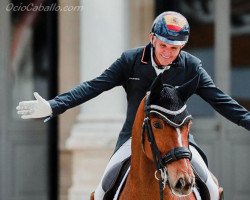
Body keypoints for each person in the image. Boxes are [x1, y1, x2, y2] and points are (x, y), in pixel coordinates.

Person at [16, 11, 250, 199]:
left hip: (176, 137)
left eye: (175, 48)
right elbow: (94, 86)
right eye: (163, 46)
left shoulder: (192, 67)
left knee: (210, 187)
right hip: (133, 137)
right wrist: (54, 105)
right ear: (152, 39)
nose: (168, 53)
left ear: (183, 47)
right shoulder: (130, 61)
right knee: (101, 191)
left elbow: (221, 101)